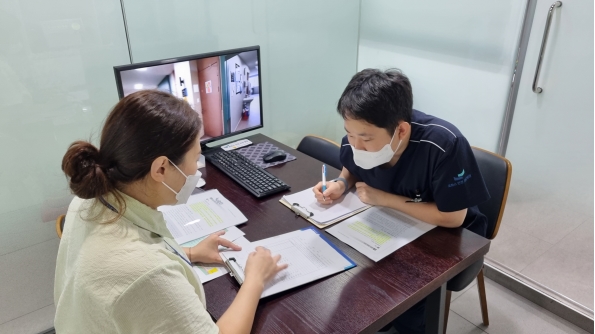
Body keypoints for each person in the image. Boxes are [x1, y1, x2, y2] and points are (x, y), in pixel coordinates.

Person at [55, 90, 287, 334]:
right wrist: (255, 280)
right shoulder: (148, 275)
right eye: (196, 158)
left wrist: (188, 252)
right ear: (162, 168)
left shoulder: (87, 201)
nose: (197, 168)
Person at [313, 68, 490, 333]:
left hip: (447, 238)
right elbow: (354, 165)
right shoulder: (360, 133)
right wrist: (341, 183)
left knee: (404, 305)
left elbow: (453, 217)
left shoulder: (444, 144)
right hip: (391, 228)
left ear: (402, 130)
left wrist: (384, 199)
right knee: (351, 289)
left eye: (366, 139)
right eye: (350, 134)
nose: (355, 144)